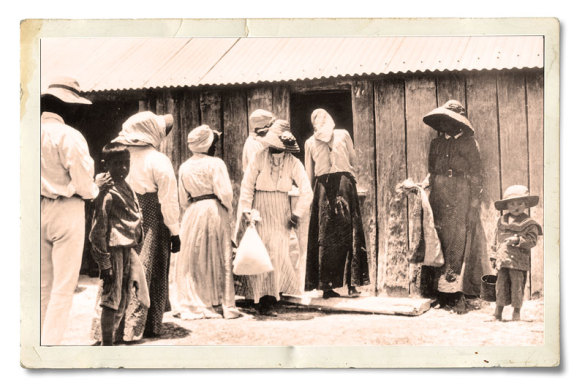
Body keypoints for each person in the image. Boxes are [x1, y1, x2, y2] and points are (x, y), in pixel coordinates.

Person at [40, 76, 110, 345]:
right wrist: (94, 189)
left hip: (36, 208)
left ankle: (37, 342)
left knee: (43, 284)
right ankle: (50, 345)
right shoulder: (69, 136)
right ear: (67, 107)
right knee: (63, 285)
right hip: (67, 209)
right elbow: (82, 183)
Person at [112, 111, 181, 340]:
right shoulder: (158, 160)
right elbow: (168, 199)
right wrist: (175, 231)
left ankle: (117, 324)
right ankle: (146, 325)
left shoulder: (120, 156)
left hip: (122, 215)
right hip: (150, 218)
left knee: (122, 267)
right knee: (148, 267)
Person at [236, 120, 313, 315]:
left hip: (281, 210)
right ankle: (256, 298)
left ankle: (271, 298)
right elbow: (247, 186)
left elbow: (307, 192)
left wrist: (296, 214)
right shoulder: (258, 157)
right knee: (260, 252)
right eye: (273, 146)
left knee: (277, 253)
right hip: (260, 209)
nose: (275, 150)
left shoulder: (293, 163)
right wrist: (246, 210)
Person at [422, 100, 487, 314]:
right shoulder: (436, 143)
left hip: (460, 191)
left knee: (457, 239)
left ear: (458, 122)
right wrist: (424, 186)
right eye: (441, 121)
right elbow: (431, 171)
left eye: (448, 120)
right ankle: (439, 293)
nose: (444, 125)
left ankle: (454, 292)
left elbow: (477, 173)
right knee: (438, 237)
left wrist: (474, 201)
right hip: (439, 191)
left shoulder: (469, 143)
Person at [173, 125, 241, 320]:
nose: (215, 148)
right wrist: (227, 209)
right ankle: (219, 301)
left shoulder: (184, 166)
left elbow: (183, 199)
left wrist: (193, 207)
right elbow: (226, 193)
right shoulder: (216, 164)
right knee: (217, 254)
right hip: (214, 208)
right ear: (208, 145)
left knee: (195, 257)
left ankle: (196, 299)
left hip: (193, 211)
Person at [304, 109, 370, 299]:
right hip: (323, 189)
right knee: (325, 237)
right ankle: (327, 286)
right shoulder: (310, 142)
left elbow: (352, 159)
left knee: (350, 233)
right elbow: (309, 173)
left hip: (343, 185)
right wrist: (311, 199)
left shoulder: (343, 134)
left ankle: (352, 283)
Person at [89, 143, 144, 345]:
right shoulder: (107, 194)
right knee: (111, 299)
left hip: (126, 249)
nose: (123, 169)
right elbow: (98, 231)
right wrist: (104, 262)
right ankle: (107, 345)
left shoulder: (126, 188)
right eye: (117, 164)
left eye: (126, 164)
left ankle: (118, 339)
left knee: (124, 297)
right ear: (106, 165)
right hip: (113, 251)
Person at [490, 185, 542, 321]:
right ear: (506, 205)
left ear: (526, 204)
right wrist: (493, 255)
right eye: (512, 204)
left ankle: (516, 313)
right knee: (500, 286)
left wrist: (518, 239)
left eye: (520, 203)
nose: (516, 207)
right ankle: (498, 313)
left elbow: (532, 240)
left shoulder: (529, 223)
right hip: (503, 260)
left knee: (517, 287)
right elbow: (495, 239)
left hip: (518, 262)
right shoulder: (501, 221)